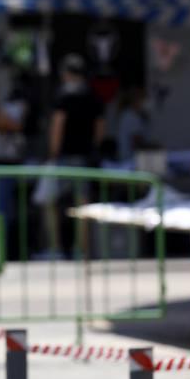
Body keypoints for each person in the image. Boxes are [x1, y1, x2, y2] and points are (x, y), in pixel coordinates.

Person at [40, 55, 106, 259]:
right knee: (82, 204)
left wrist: (53, 152)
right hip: (85, 157)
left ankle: (55, 248)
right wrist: (92, 147)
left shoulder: (63, 95)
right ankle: (81, 249)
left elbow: (57, 125)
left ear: (66, 74)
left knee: (51, 202)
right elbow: (100, 129)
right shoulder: (92, 95)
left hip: (64, 157)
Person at [116, 85, 152, 164]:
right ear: (136, 100)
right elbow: (136, 141)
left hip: (131, 159)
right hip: (130, 160)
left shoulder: (135, 115)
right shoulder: (131, 116)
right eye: (144, 99)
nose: (146, 102)